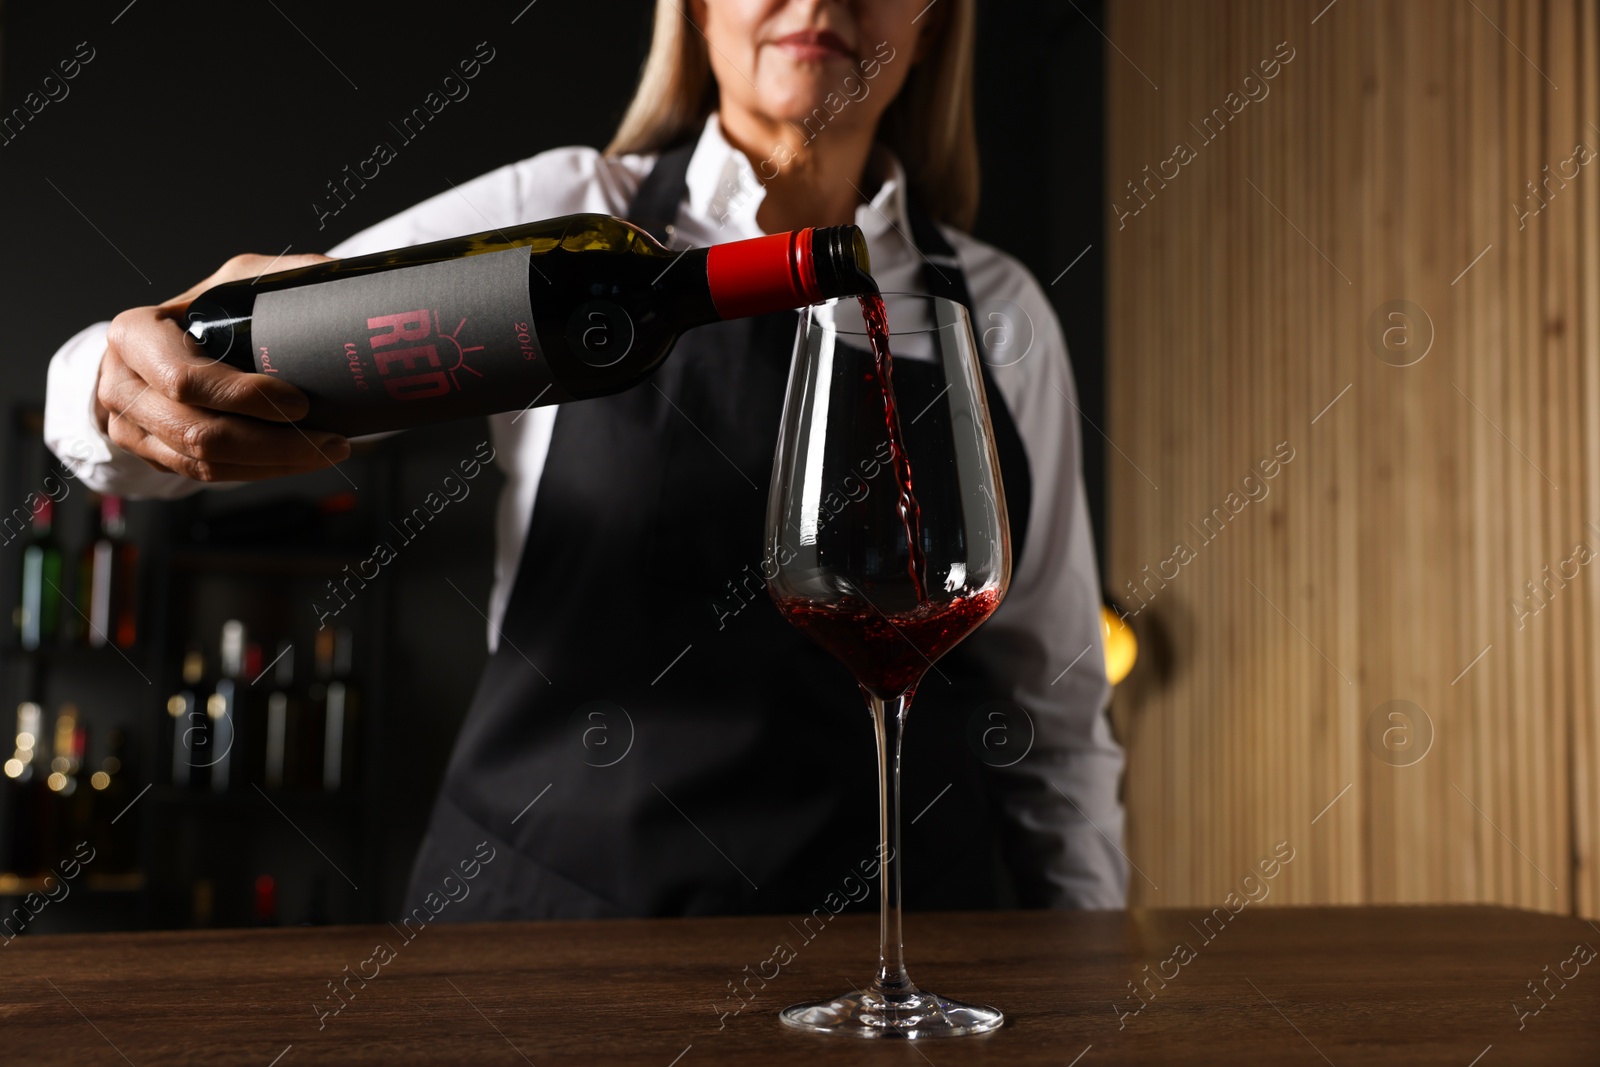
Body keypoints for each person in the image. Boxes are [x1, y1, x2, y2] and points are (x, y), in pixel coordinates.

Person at [43, 0, 1126, 918]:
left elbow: (1056, 717)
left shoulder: (998, 312)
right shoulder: (565, 228)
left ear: (934, 24)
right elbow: (214, 371)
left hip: (897, 951)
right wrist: (109, 384)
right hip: (559, 925)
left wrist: (1090, 960)